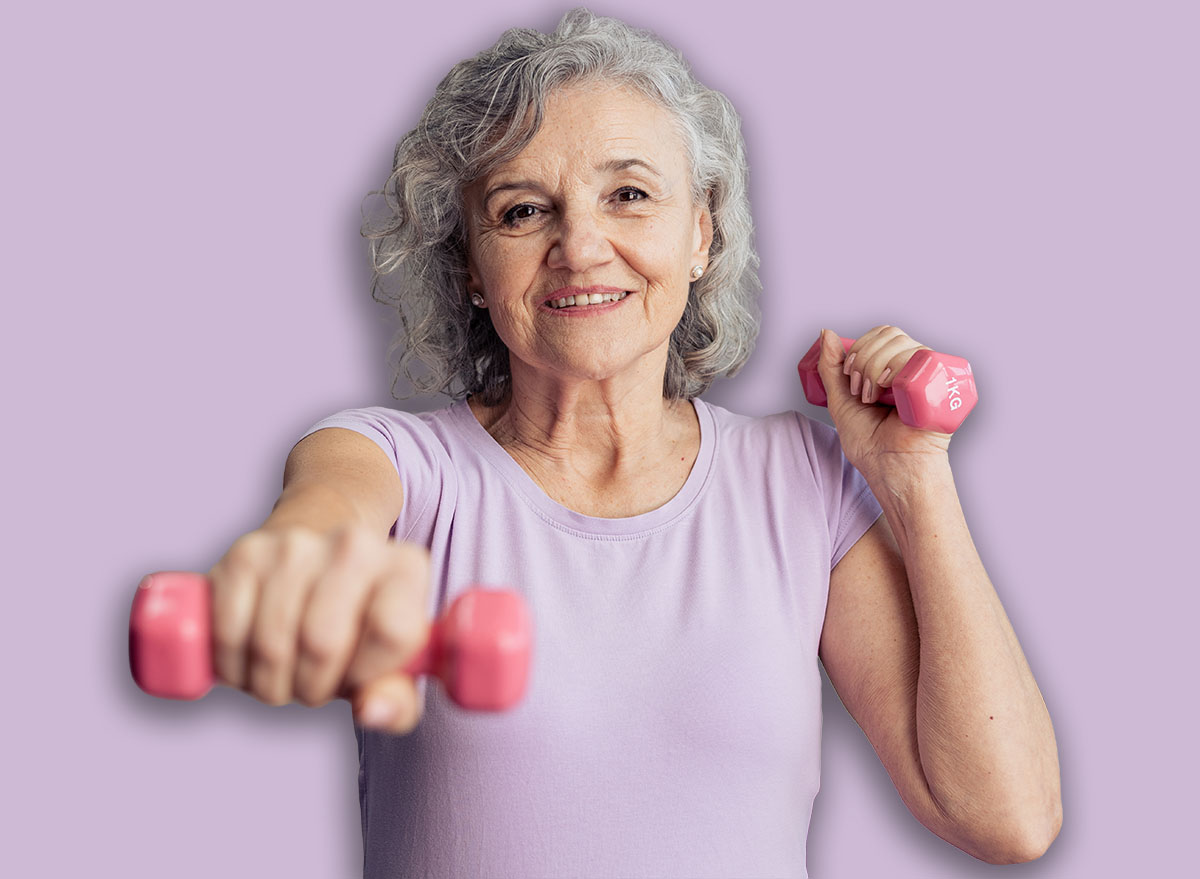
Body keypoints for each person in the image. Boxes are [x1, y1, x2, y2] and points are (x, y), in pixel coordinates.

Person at [205, 9, 1061, 877]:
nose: (579, 246)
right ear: (469, 265)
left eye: (630, 195)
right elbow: (323, 513)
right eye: (523, 209)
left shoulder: (800, 481)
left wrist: (917, 480)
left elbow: (1008, 817)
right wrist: (293, 563)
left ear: (700, 233)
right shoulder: (403, 466)